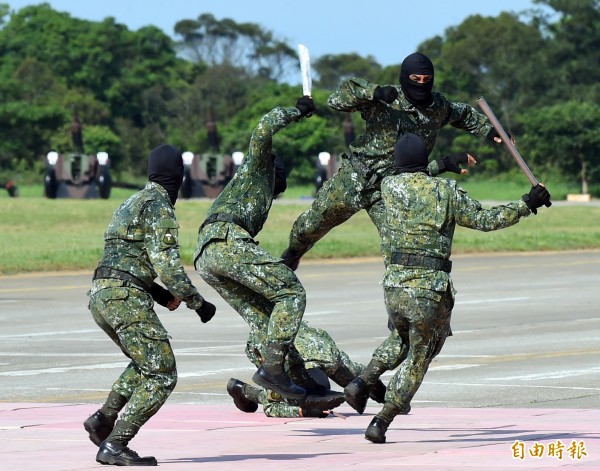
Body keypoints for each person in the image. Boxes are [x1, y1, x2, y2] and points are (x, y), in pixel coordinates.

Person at [355, 133, 551, 444]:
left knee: (402, 336)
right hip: (429, 288)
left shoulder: (388, 187)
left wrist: (441, 164)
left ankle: (363, 380)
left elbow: (413, 176)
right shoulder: (446, 192)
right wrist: (527, 203)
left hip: (393, 286)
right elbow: (486, 220)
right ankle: (383, 419)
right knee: (422, 353)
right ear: (423, 161)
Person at [282, 51, 506, 271]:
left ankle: (403, 299)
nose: (421, 84)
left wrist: (489, 130)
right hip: (355, 179)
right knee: (309, 228)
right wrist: (374, 92)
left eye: (427, 80)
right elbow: (337, 100)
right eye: (415, 79)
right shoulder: (386, 98)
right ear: (404, 77)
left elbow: (463, 114)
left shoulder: (437, 107)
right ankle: (292, 254)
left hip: (392, 191)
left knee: (398, 249)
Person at [83, 144, 217, 466]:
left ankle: (104, 418)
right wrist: (197, 303)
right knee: (162, 374)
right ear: (178, 176)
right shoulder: (159, 205)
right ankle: (115, 443)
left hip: (102, 294)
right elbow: (169, 266)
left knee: (146, 361)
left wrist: (157, 294)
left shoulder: (130, 202)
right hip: (124, 298)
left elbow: (123, 258)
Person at [194, 96, 324, 404]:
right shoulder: (258, 167)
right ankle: (274, 370)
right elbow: (264, 129)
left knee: (263, 316)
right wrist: (296, 112)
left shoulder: (257, 192)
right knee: (291, 293)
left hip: (207, 254)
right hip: (225, 240)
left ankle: (273, 389)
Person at [226, 320, 396, 417]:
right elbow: (271, 408)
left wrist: (377, 389)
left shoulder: (319, 345)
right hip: (281, 362)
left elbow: (351, 368)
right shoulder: (275, 355)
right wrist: (305, 412)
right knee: (289, 397)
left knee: (333, 382)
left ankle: (244, 391)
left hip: (309, 361)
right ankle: (245, 391)